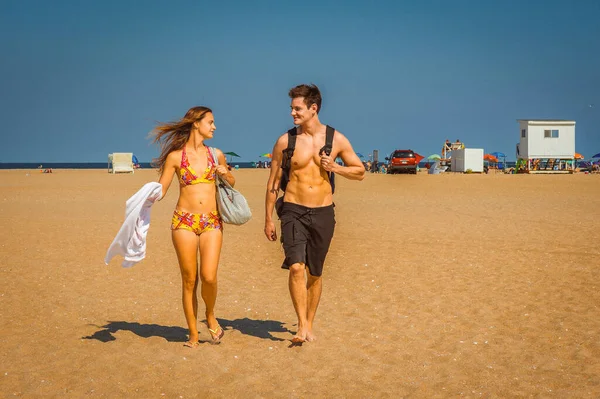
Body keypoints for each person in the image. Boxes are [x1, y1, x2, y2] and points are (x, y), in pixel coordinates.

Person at [264, 84, 365, 344]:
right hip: (293, 209)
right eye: (291, 109)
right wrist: (267, 219)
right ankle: (301, 325)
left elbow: (360, 171)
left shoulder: (336, 140)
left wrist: (335, 168)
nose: (292, 113)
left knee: (315, 273)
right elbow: (273, 183)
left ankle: (309, 322)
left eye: (297, 109)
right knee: (297, 267)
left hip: (323, 212)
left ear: (313, 108)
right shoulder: (285, 141)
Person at [151, 106, 235, 348]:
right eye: (211, 122)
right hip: (184, 222)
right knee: (189, 280)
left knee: (209, 276)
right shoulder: (176, 157)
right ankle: (193, 334)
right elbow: (162, 189)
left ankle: (209, 315)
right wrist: (144, 199)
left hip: (211, 221)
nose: (214, 126)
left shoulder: (215, 154)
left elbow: (231, 180)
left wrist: (225, 173)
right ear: (196, 123)